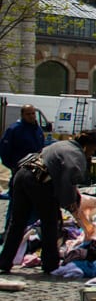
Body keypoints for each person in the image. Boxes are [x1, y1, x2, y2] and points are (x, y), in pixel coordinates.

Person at [0, 131, 96, 274]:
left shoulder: (61, 145)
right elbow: (70, 174)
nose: (91, 154)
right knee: (50, 222)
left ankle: (5, 262)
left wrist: (72, 196)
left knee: (17, 222)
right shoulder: (76, 154)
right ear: (88, 146)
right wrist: (70, 202)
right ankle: (50, 264)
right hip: (40, 181)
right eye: (92, 150)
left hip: (22, 175)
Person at [0, 104, 46, 244]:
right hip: (20, 172)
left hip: (36, 173)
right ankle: (9, 234)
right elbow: (4, 151)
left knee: (34, 205)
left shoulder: (37, 129)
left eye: (33, 113)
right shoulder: (14, 130)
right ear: (22, 115)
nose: (32, 116)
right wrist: (14, 166)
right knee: (16, 205)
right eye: (28, 114)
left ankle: (29, 232)